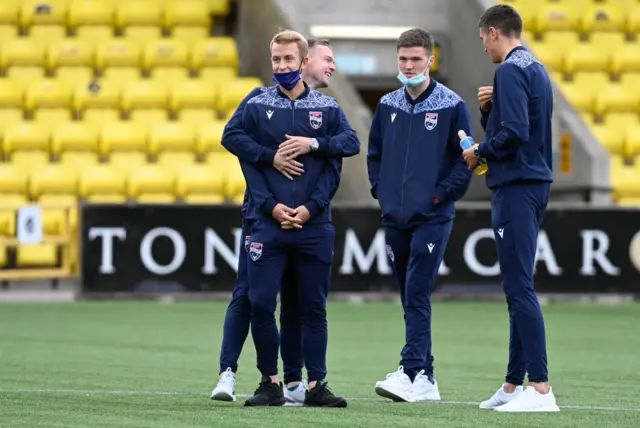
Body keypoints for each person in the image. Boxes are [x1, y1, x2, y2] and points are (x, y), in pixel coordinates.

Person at [210, 38, 357, 406]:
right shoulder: (258, 102)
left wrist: (313, 148)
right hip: (268, 222)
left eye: (288, 58)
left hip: (313, 223)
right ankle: (269, 382)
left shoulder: (326, 107)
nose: (281, 64)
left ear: (303, 60)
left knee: (311, 307)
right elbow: (234, 142)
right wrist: (270, 172)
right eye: (275, 58)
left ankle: (314, 384)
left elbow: (348, 147)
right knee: (259, 303)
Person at [461, 4, 559, 412]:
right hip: (531, 183)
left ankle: (539, 388)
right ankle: (512, 384)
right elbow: (524, 126)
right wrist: (490, 111)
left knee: (518, 287)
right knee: (519, 285)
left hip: (517, 187)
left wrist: (479, 149)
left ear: (495, 31)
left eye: (483, 37)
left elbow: (515, 133)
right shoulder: (535, 68)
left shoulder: (509, 71)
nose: (482, 46)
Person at [367, 28, 473, 403]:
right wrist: (380, 191)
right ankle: (426, 378)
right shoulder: (387, 104)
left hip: (432, 216)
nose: (408, 65)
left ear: (431, 60)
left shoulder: (451, 104)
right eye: (402, 59)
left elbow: (467, 162)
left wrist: (439, 197)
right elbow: (374, 153)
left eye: (415, 59)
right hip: (394, 217)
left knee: (416, 291)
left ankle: (409, 371)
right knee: (408, 295)